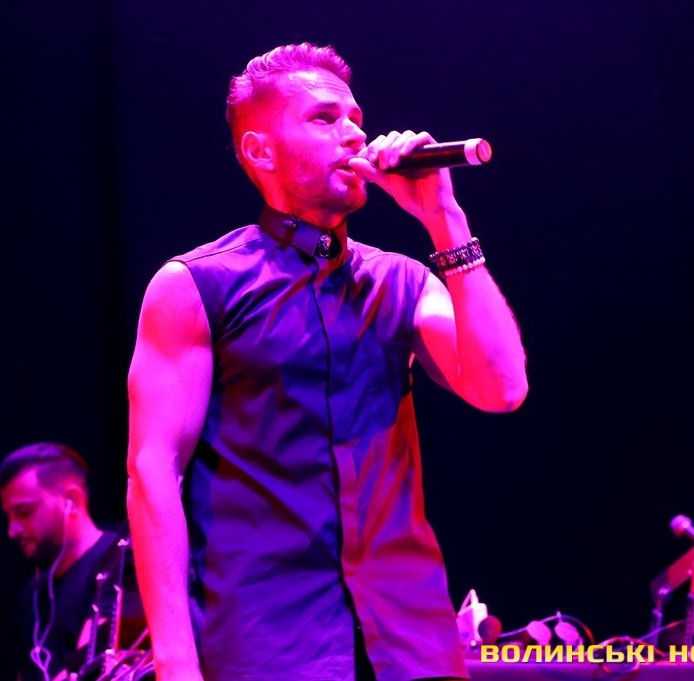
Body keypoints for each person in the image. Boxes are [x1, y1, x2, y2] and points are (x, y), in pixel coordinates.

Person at [125, 42, 528, 681]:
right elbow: (154, 472)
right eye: (324, 118)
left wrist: (444, 219)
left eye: (356, 118)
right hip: (268, 642)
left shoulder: (402, 281)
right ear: (260, 151)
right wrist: (175, 662)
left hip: (411, 641)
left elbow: (501, 388)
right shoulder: (197, 286)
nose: (355, 134)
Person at [0, 441, 150, 681]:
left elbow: (93, 667)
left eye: (24, 512)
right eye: (9, 516)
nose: (13, 531)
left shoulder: (119, 563)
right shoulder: (33, 595)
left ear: (72, 500)